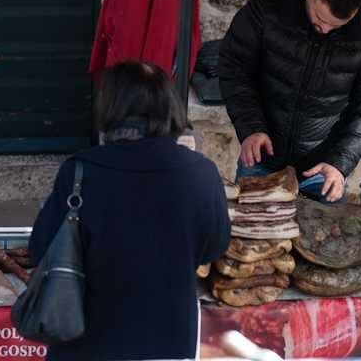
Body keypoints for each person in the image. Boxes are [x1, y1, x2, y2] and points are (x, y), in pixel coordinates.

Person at [29, 61, 231, 361]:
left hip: (88, 338)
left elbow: (41, 249)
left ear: (109, 106)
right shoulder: (202, 172)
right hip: (168, 339)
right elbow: (213, 247)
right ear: (169, 105)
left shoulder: (80, 171)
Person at [218, 0, 361, 203]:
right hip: (262, 157)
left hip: (323, 168)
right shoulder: (269, 5)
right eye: (320, 18)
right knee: (250, 225)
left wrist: (340, 162)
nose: (326, 30)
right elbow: (235, 66)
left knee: (332, 227)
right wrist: (250, 127)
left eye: (338, 26)